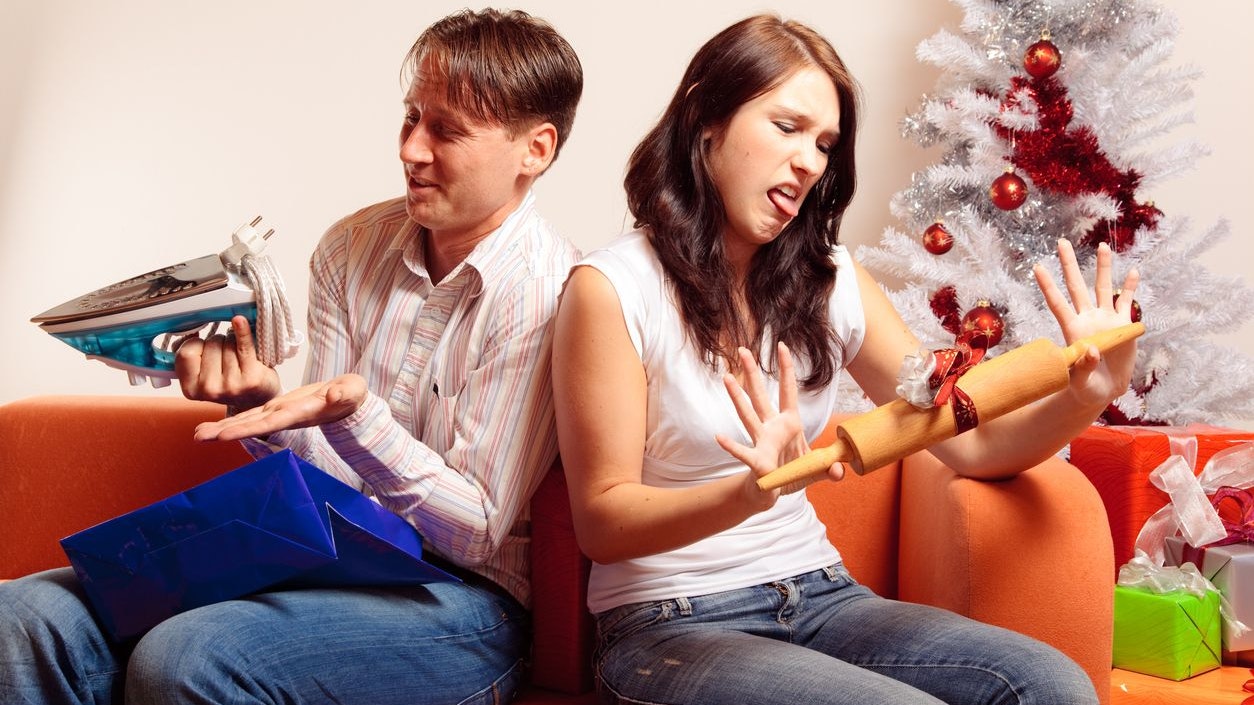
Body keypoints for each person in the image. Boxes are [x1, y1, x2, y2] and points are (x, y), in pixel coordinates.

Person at [0, 8, 582, 704]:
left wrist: (358, 415)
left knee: (187, 656)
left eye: (447, 131)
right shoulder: (350, 247)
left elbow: (479, 531)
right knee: (24, 617)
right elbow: (329, 489)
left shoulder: (548, 290)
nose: (412, 150)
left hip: (463, 602)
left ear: (535, 149)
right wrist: (263, 407)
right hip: (320, 552)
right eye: (410, 118)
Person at [552, 14, 1136, 705]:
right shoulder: (611, 287)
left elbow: (973, 446)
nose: (810, 161)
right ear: (705, 117)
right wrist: (748, 492)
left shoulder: (829, 278)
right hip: (667, 624)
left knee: (1048, 685)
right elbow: (603, 521)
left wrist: (1086, 394)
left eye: (825, 142)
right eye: (787, 127)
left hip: (823, 596)